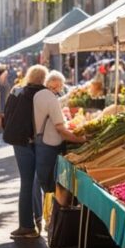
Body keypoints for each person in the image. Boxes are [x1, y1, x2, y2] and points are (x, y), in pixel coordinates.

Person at [29, 69, 85, 235]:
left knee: (38, 180)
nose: (59, 89)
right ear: (52, 84)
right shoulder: (50, 98)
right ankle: (49, 221)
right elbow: (60, 128)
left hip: (40, 141)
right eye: (58, 86)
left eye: (60, 87)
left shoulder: (39, 95)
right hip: (49, 144)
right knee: (47, 182)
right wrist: (80, 140)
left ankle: (39, 217)